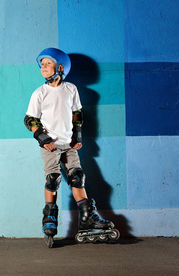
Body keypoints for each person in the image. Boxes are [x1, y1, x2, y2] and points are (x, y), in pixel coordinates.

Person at [24, 47, 113, 238]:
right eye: (42, 64)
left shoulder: (71, 89)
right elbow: (30, 119)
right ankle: (49, 215)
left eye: (48, 63)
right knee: (53, 179)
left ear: (61, 68)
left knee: (77, 176)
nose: (44, 67)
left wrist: (77, 136)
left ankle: (86, 217)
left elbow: (77, 113)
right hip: (50, 145)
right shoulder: (39, 93)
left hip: (69, 144)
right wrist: (42, 138)